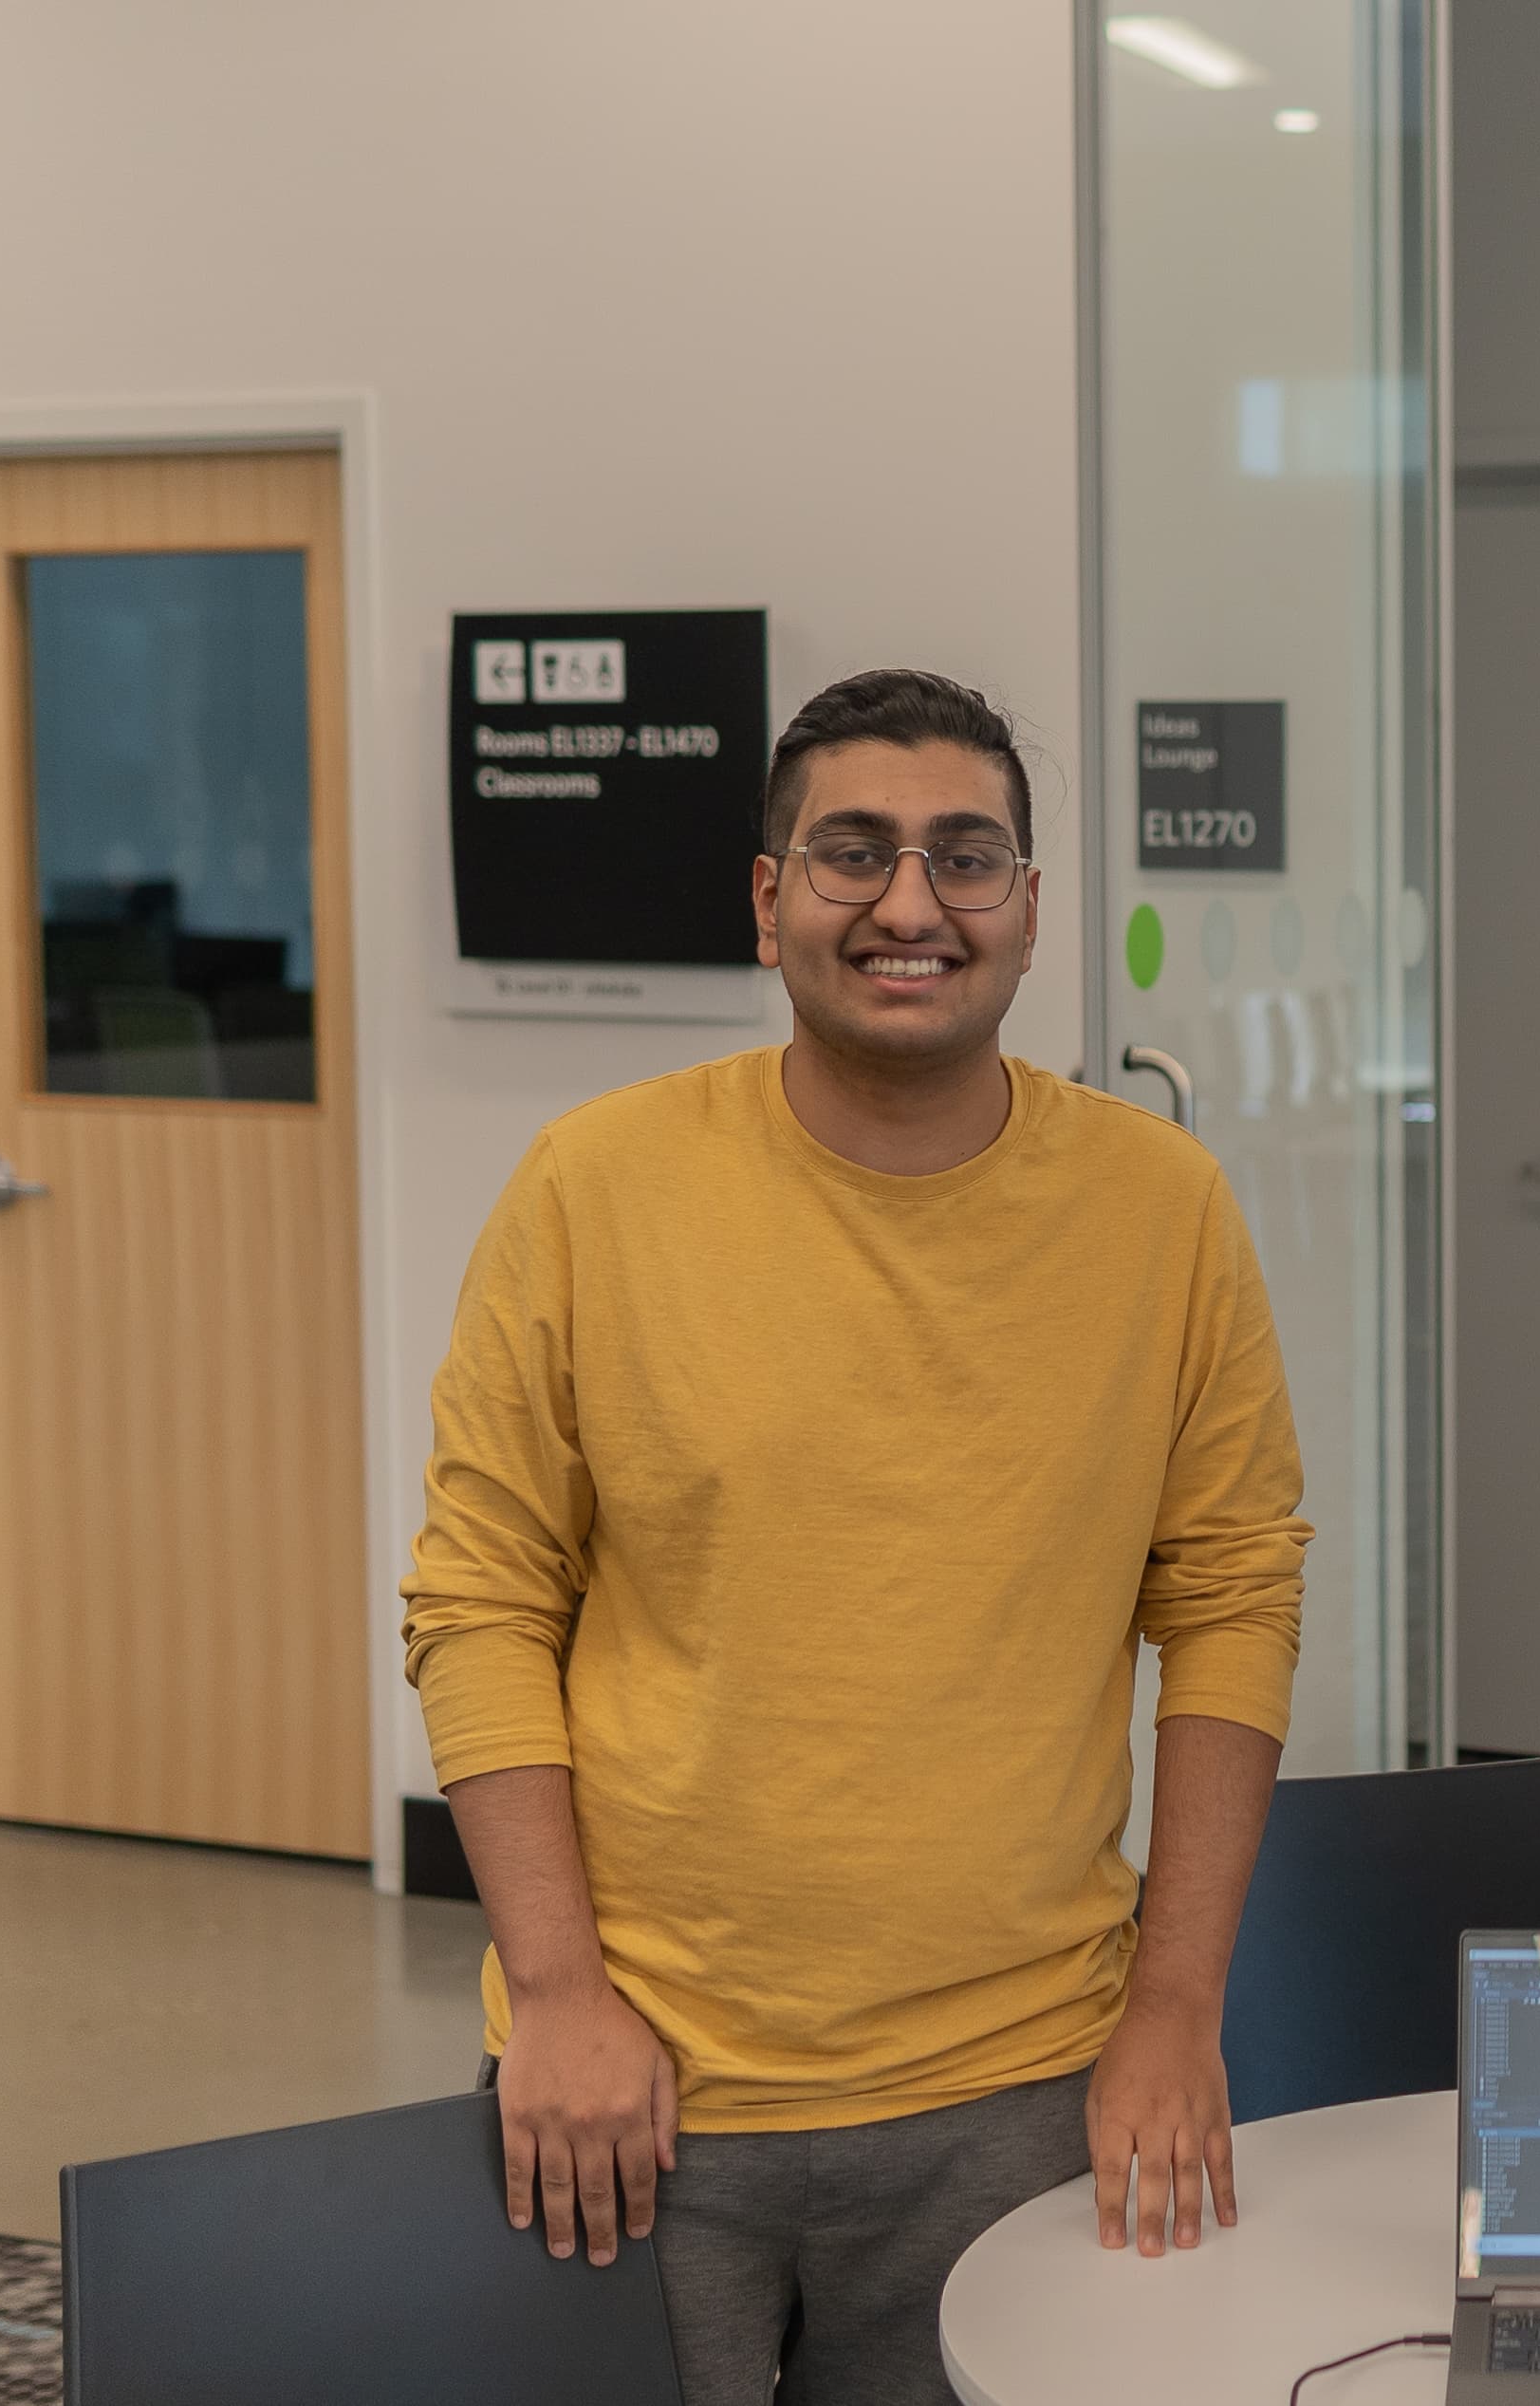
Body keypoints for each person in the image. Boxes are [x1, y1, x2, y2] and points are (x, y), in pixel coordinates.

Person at [401, 669, 1308, 2402]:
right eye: (854, 854)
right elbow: (480, 1599)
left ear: (1033, 911)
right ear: (767, 901)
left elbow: (1231, 1597)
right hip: (637, 2097)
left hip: (1027, 2092)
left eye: (968, 858)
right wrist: (560, 1987)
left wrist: (1176, 2008)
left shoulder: (1162, 1212)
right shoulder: (591, 1188)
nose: (911, 905)